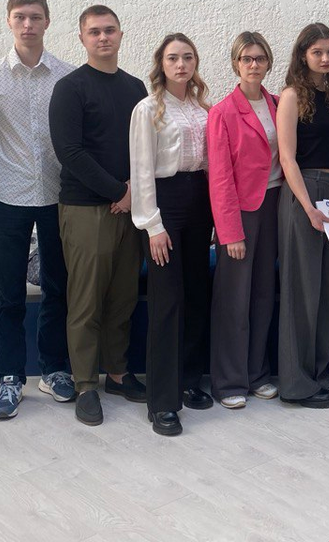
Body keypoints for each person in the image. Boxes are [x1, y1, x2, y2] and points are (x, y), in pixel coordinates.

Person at [0, 0, 75, 420]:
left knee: (58, 288)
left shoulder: (66, 76)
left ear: (47, 21)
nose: (28, 24)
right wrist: (9, 168)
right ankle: (10, 377)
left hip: (57, 197)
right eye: (19, 17)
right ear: (9, 21)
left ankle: (54, 369)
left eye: (35, 17)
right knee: (9, 293)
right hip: (9, 199)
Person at [49, 5, 148, 426]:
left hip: (130, 209)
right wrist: (118, 191)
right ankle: (86, 384)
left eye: (109, 30)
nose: (103, 37)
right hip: (87, 208)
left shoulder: (135, 87)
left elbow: (145, 146)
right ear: (82, 39)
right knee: (86, 300)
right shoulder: (70, 88)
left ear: (121, 34)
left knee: (122, 297)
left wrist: (134, 193)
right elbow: (69, 152)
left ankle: (118, 374)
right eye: (94, 32)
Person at [129, 33, 214, 435]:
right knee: (167, 300)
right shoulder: (148, 109)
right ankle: (162, 401)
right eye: (173, 58)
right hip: (166, 203)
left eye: (188, 57)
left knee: (197, 294)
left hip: (200, 202)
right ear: (161, 64)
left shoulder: (203, 108)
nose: (181, 65)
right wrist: (153, 225)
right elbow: (141, 170)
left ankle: (190, 380)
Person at [276, 23, 329, 409]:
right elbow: (287, 157)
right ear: (303, 55)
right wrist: (308, 207)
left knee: (328, 293)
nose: (325, 58)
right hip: (304, 194)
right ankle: (296, 384)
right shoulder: (292, 96)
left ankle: (319, 373)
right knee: (302, 291)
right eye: (317, 52)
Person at [207, 31, 282, 410]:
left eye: (260, 58)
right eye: (246, 59)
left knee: (264, 293)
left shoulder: (279, 104)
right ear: (236, 64)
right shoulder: (222, 113)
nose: (254, 65)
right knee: (234, 299)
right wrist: (229, 231)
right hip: (241, 213)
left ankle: (257, 373)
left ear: (268, 62)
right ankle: (229, 380)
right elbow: (219, 178)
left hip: (275, 206)